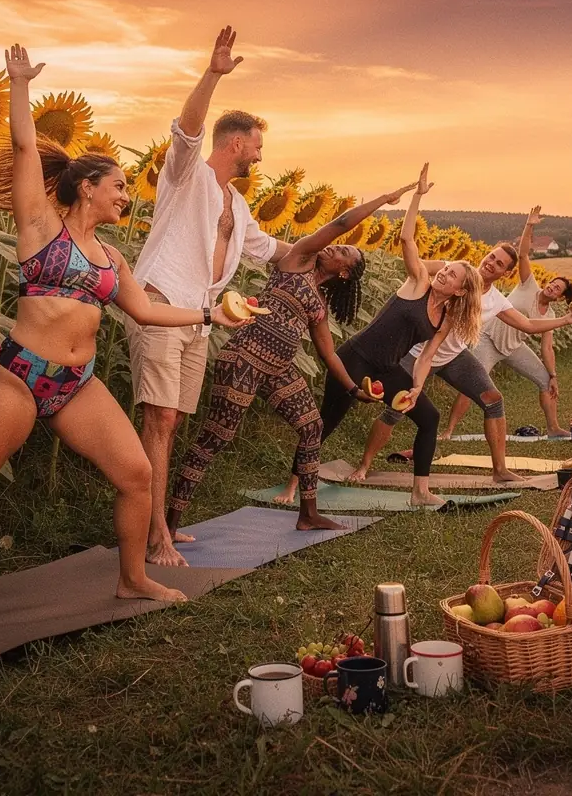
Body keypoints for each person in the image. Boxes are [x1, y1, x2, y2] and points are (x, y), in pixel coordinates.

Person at [0, 45, 247, 640]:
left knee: (136, 474)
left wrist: (212, 312)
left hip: (76, 386)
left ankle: (131, 578)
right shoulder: (41, 228)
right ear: (85, 187)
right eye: (119, 186)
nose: (125, 195)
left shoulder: (112, 258)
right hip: (18, 376)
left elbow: (147, 311)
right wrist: (19, 84)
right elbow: (28, 148)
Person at [161, 179, 420, 562]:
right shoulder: (296, 260)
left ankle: (308, 513)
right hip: (245, 360)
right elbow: (337, 225)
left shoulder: (317, 303)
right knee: (215, 438)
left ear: (345, 273)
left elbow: (329, 355)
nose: (334, 246)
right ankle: (167, 526)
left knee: (312, 426)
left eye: (343, 252)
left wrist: (353, 390)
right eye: (339, 244)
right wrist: (384, 199)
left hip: (279, 370)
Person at [126, 27, 292, 566]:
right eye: (258, 147)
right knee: (160, 419)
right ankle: (156, 538)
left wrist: (335, 244)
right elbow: (188, 128)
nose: (261, 157)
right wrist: (213, 73)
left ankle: (155, 527)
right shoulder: (186, 175)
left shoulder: (238, 206)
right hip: (160, 303)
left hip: (200, 320)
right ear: (236, 144)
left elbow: (277, 251)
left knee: (170, 421)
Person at [277, 164, 485, 508]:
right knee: (326, 422)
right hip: (354, 358)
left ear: (461, 292)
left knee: (429, 418)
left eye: (452, 276)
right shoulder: (418, 282)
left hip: (388, 370)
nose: (444, 275)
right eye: (445, 269)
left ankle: (420, 491)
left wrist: (417, 387)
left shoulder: (445, 318)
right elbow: (407, 239)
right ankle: (291, 484)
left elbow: (426, 357)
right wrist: (417, 197)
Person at [351, 215, 572, 484]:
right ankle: (364, 466)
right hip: (417, 355)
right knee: (396, 409)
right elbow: (416, 267)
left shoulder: (496, 301)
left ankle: (499, 470)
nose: (491, 263)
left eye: (499, 263)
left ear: (506, 273)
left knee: (494, 400)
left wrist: (568, 319)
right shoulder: (453, 271)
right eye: (491, 256)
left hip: (454, 357)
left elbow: (529, 325)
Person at [441, 206, 572, 440]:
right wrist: (529, 224)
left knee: (545, 380)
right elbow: (523, 255)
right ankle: (448, 431)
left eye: (558, 289)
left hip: (514, 348)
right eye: (553, 283)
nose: (552, 287)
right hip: (488, 341)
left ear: (560, 297)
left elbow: (547, 347)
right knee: (472, 383)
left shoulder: (550, 315)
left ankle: (554, 428)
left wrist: (553, 374)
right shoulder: (529, 285)